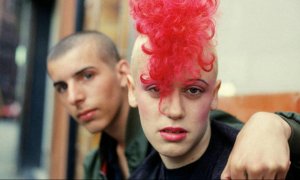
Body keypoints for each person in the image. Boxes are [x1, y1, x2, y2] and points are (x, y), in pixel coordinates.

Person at [47, 31, 300, 179]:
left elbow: (255, 148)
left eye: (87, 76)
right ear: (134, 89)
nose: (74, 97)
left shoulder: (204, 132)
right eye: (61, 87)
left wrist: (273, 124)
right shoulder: (96, 163)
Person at [127, 0, 299, 179]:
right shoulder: (141, 174)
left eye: (193, 90)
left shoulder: (256, 167)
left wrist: (279, 126)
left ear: (214, 94)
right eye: (156, 89)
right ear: (132, 91)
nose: (175, 111)